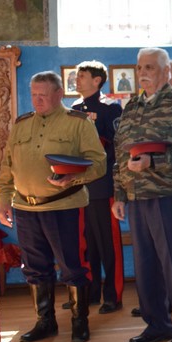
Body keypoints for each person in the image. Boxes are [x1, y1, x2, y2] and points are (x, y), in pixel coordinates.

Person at [0, 71, 106, 342]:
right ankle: (45, 322)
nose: (37, 100)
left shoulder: (78, 123)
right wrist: (4, 201)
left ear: (59, 94)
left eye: (43, 95)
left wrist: (73, 178)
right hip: (26, 209)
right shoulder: (21, 124)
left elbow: (99, 164)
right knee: (34, 268)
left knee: (73, 266)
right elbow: (7, 166)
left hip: (64, 207)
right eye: (34, 94)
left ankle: (80, 323)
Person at [112, 47, 172, 342]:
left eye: (150, 67)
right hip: (137, 196)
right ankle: (157, 325)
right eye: (140, 67)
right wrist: (119, 193)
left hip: (170, 194)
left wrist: (155, 161)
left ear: (166, 72)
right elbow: (120, 152)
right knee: (146, 266)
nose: (143, 72)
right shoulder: (132, 105)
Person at [71, 61, 124, 314]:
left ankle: (113, 295)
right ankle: (90, 293)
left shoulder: (110, 108)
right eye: (77, 75)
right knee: (86, 243)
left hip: (103, 186)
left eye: (82, 76)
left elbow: (118, 145)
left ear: (97, 81)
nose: (77, 79)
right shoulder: (74, 109)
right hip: (79, 187)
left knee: (108, 245)